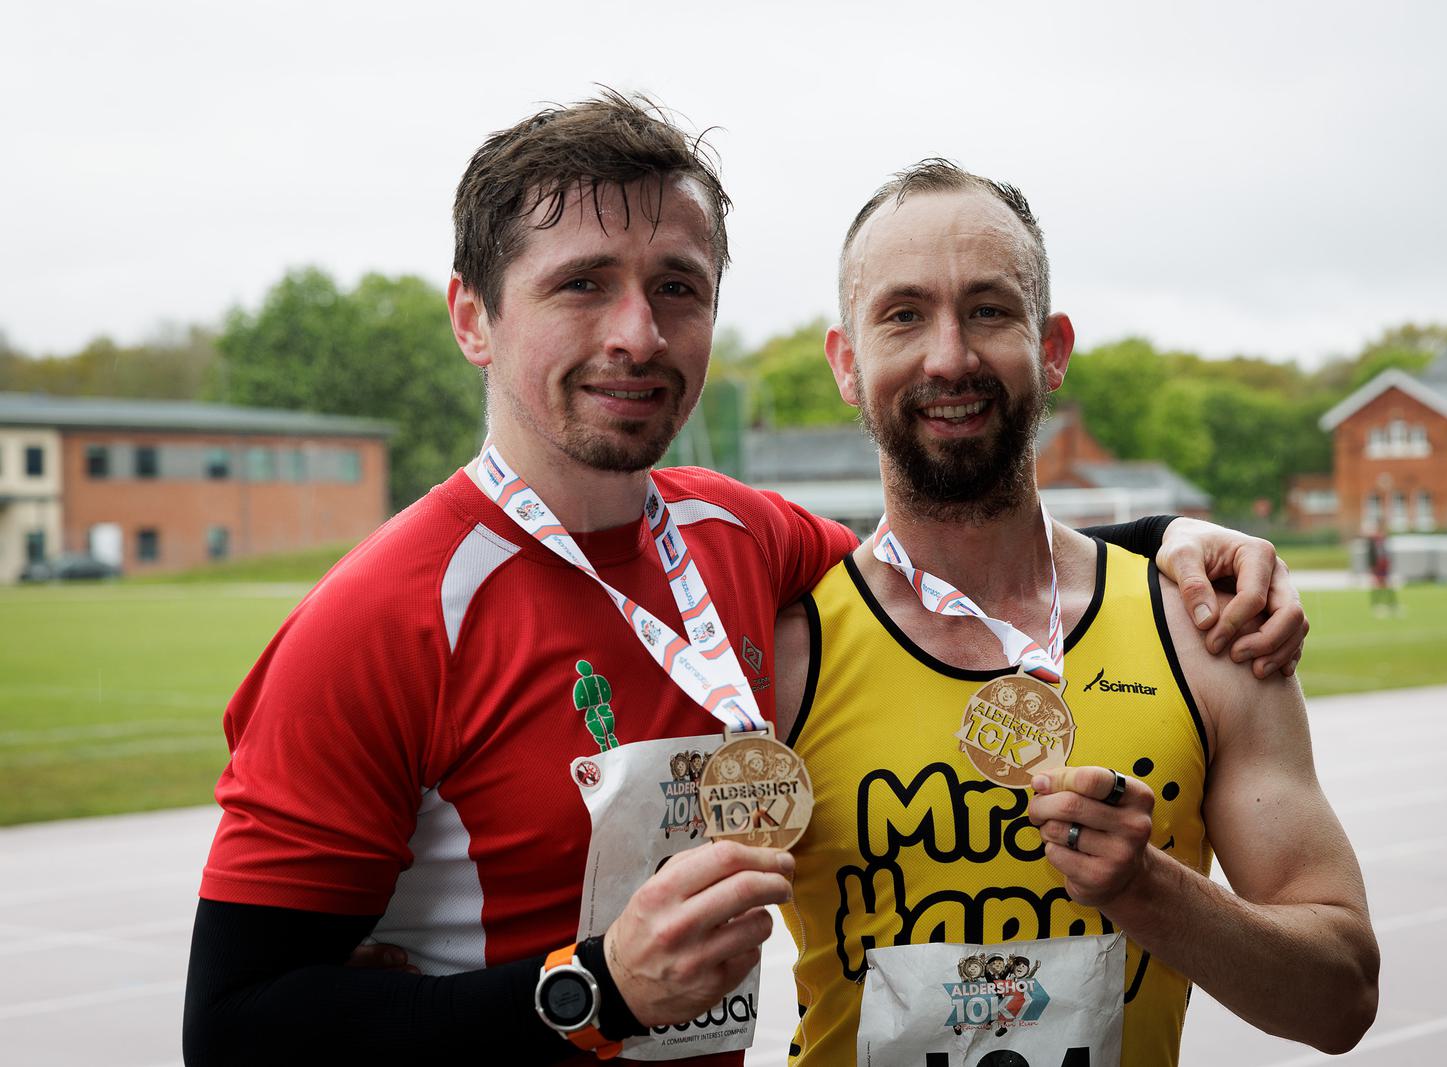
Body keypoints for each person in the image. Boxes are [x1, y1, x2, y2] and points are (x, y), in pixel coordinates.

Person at [182, 94, 1309, 1066]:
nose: (638, 331)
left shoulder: (738, 535)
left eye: (677, 286)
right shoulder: (381, 618)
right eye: (582, 284)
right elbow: (232, 1028)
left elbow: (950, 550)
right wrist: (594, 990)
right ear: (473, 315)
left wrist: (1177, 537)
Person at [772, 161, 1378, 1065]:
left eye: (989, 309)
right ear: (846, 363)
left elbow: (1342, 997)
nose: (950, 356)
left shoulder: (1201, 629)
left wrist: (1150, 890)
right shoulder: (779, 653)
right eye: (903, 314)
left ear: (1051, 346)